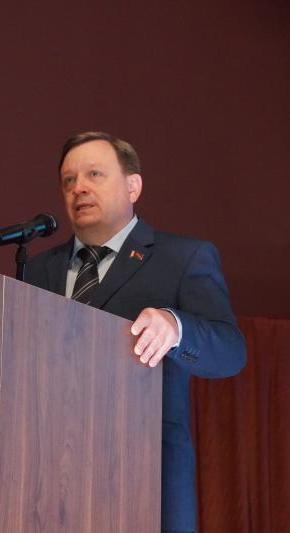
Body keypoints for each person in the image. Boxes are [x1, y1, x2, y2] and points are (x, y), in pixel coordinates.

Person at [24, 131, 246, 533]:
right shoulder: (37, 270)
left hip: (146, 475)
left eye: (94, 174)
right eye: (68, 180)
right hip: (50, 478)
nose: (79, 187)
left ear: (133, 186)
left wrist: (175, 327)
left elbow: (230, 352)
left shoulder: (183, 257)